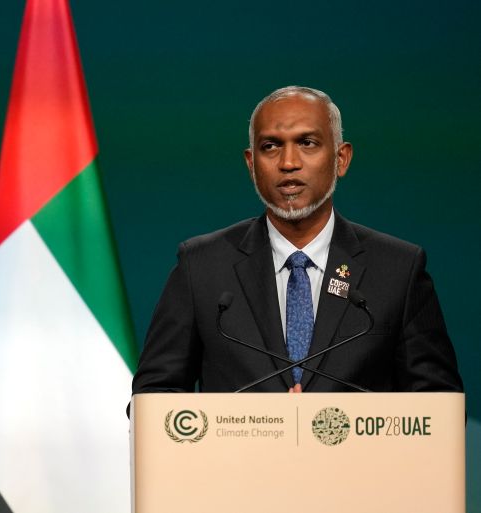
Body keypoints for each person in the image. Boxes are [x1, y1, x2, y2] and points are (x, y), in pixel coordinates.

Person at [131, 86, 463, 395]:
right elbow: (155, 397)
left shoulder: (397, 270)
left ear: (341, 158)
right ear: (251, 164)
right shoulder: (202, 266)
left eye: (307, 143)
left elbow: (438, 407)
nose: (288, 163)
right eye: (271, 146)